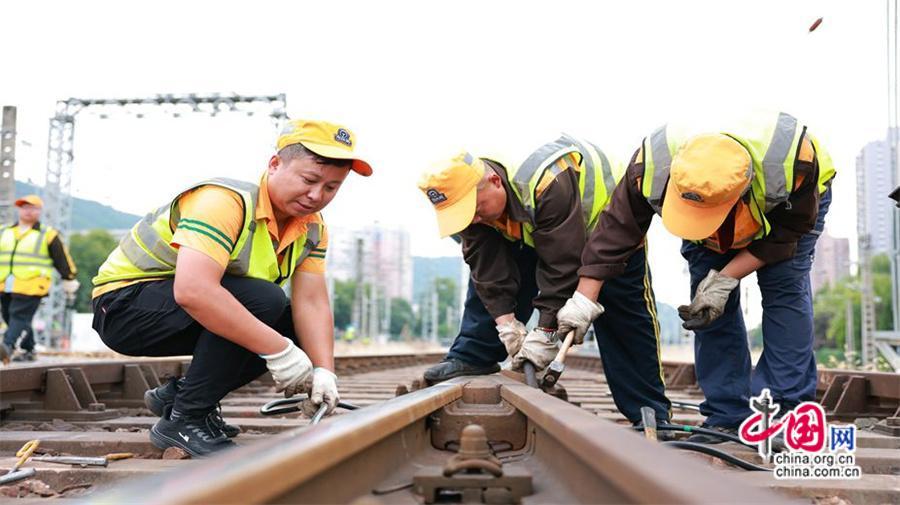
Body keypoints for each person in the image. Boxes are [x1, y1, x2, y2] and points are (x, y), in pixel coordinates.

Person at [91, 120, 371, 456]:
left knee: (290, 322)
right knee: (265, 302)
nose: (316, 196)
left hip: (185, 309)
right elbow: (193, 291)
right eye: (309, 180)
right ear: (274, 164)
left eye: (331, 188)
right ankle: (184, 419)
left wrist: (324, 369)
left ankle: (180, 396)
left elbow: (311, 303)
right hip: (125, 308)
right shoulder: (223, 202)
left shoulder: (312, 227)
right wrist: (279, 351)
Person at [558, 111, 836, 442]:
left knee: (784, 292)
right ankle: (726, 415)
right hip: (711, 207)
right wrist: (583, 301)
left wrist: (726, 277)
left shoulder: (793, 165)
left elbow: (786, 238)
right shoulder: (650, 168)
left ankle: (784, 413)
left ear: (742, 194)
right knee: (706, 310)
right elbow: (615, 234)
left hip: (787, 209)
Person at [417, 136, 671, 426]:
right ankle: (474, 354)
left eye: (475, 209)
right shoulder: (472, 207)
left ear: (495, 182)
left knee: (625, 319)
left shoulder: (549, 180)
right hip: (535, 228)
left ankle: (649, 413)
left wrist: (547, 331)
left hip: (609, 232)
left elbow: (563, 264)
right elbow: (486, 269)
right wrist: (506, 325)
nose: (472, 219)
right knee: (487, 280)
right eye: (464, 214)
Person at [0, 194, 79, 362]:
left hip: (33, 284)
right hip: (5, 283)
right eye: (24, 207)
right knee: (10, 316)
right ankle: (29, 349)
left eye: (32, 208)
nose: (28, 211)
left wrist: (69, 278)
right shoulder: (4, 231)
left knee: (18, 316)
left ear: (39, 211)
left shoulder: (47, 234)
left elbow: (61, 258)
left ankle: (7, 347)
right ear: (18, 210)